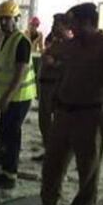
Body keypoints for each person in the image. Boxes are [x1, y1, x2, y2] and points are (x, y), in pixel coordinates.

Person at [24, 3, 103, 205]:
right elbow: (52, 57)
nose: (69, 27)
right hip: (64, 112)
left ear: (87, 22)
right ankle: (47, 203)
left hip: (90, 114)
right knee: (53, 162)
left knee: (87, 167)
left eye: (73, 22)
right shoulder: (71, 46)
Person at [0, 0, 36, 189]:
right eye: (1, 19)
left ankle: (9, 174)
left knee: (11, 135)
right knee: (2, 133)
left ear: (16, 19)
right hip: (9, 97)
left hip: (18, 98)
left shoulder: (21, 42)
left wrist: (6, 97)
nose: (4, 22)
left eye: (8, 19)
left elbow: (20, 74)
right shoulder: (7, 39)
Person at [35, 14, 73, 161]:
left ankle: (57, 154)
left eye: (56, 23)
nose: (53, 26)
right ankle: (48, 151)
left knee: (56, 124)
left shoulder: (70, 45)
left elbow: (71, 66)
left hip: (56, 87)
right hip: (45, 85)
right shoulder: (53, 41)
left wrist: (54, 64)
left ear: (65, 26)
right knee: (44, 122)